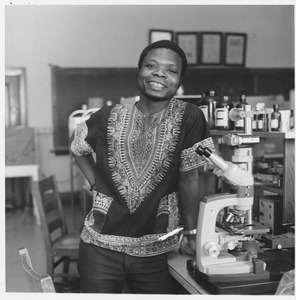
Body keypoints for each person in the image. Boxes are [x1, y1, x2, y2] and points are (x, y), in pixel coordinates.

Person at [70, 40, 214, 294]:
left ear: (180, 81)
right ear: (139, 71)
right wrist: (96, 183)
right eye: (151, 66)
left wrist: (192, 231)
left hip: (155, 250)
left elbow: (189, 178)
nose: (159, 73)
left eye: (171, 70)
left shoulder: (190, 117)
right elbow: (78, 148)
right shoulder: (106, 116)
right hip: (99, 246)